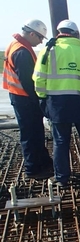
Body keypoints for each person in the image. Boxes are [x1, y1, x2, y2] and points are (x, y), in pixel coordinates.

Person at [33, 20, 80, 187]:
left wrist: (42, 98)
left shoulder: (49, 51)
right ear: (76, 34)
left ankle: (62, 178)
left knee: (60, 141)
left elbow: (38, 78)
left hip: (58, 102)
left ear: (59, 33)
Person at [2, 19, 53, 180]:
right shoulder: (22, 52)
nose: (40, 42)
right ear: (32, 34)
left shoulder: (16, 45)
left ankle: (43, 162)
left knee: (36, 132)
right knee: (31, 134)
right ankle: (33, 169)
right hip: (25, 99)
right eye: (40, 38)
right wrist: (40, 101)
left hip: (20, 97)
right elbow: (28, 82)